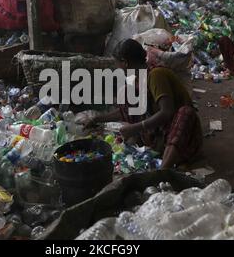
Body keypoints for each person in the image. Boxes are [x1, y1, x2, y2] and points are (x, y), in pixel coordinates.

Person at [85, 39, 203, 170]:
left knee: (185, 112)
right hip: (158, 137)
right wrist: (97, 119)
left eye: (117, 63)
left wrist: (136, 127)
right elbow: (125, 111)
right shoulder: (135, 80)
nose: (117, 67)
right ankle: (157, 155)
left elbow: (167, 111)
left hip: (181, 138)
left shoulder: (156, 75)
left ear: (125, 62)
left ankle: (161, 172)